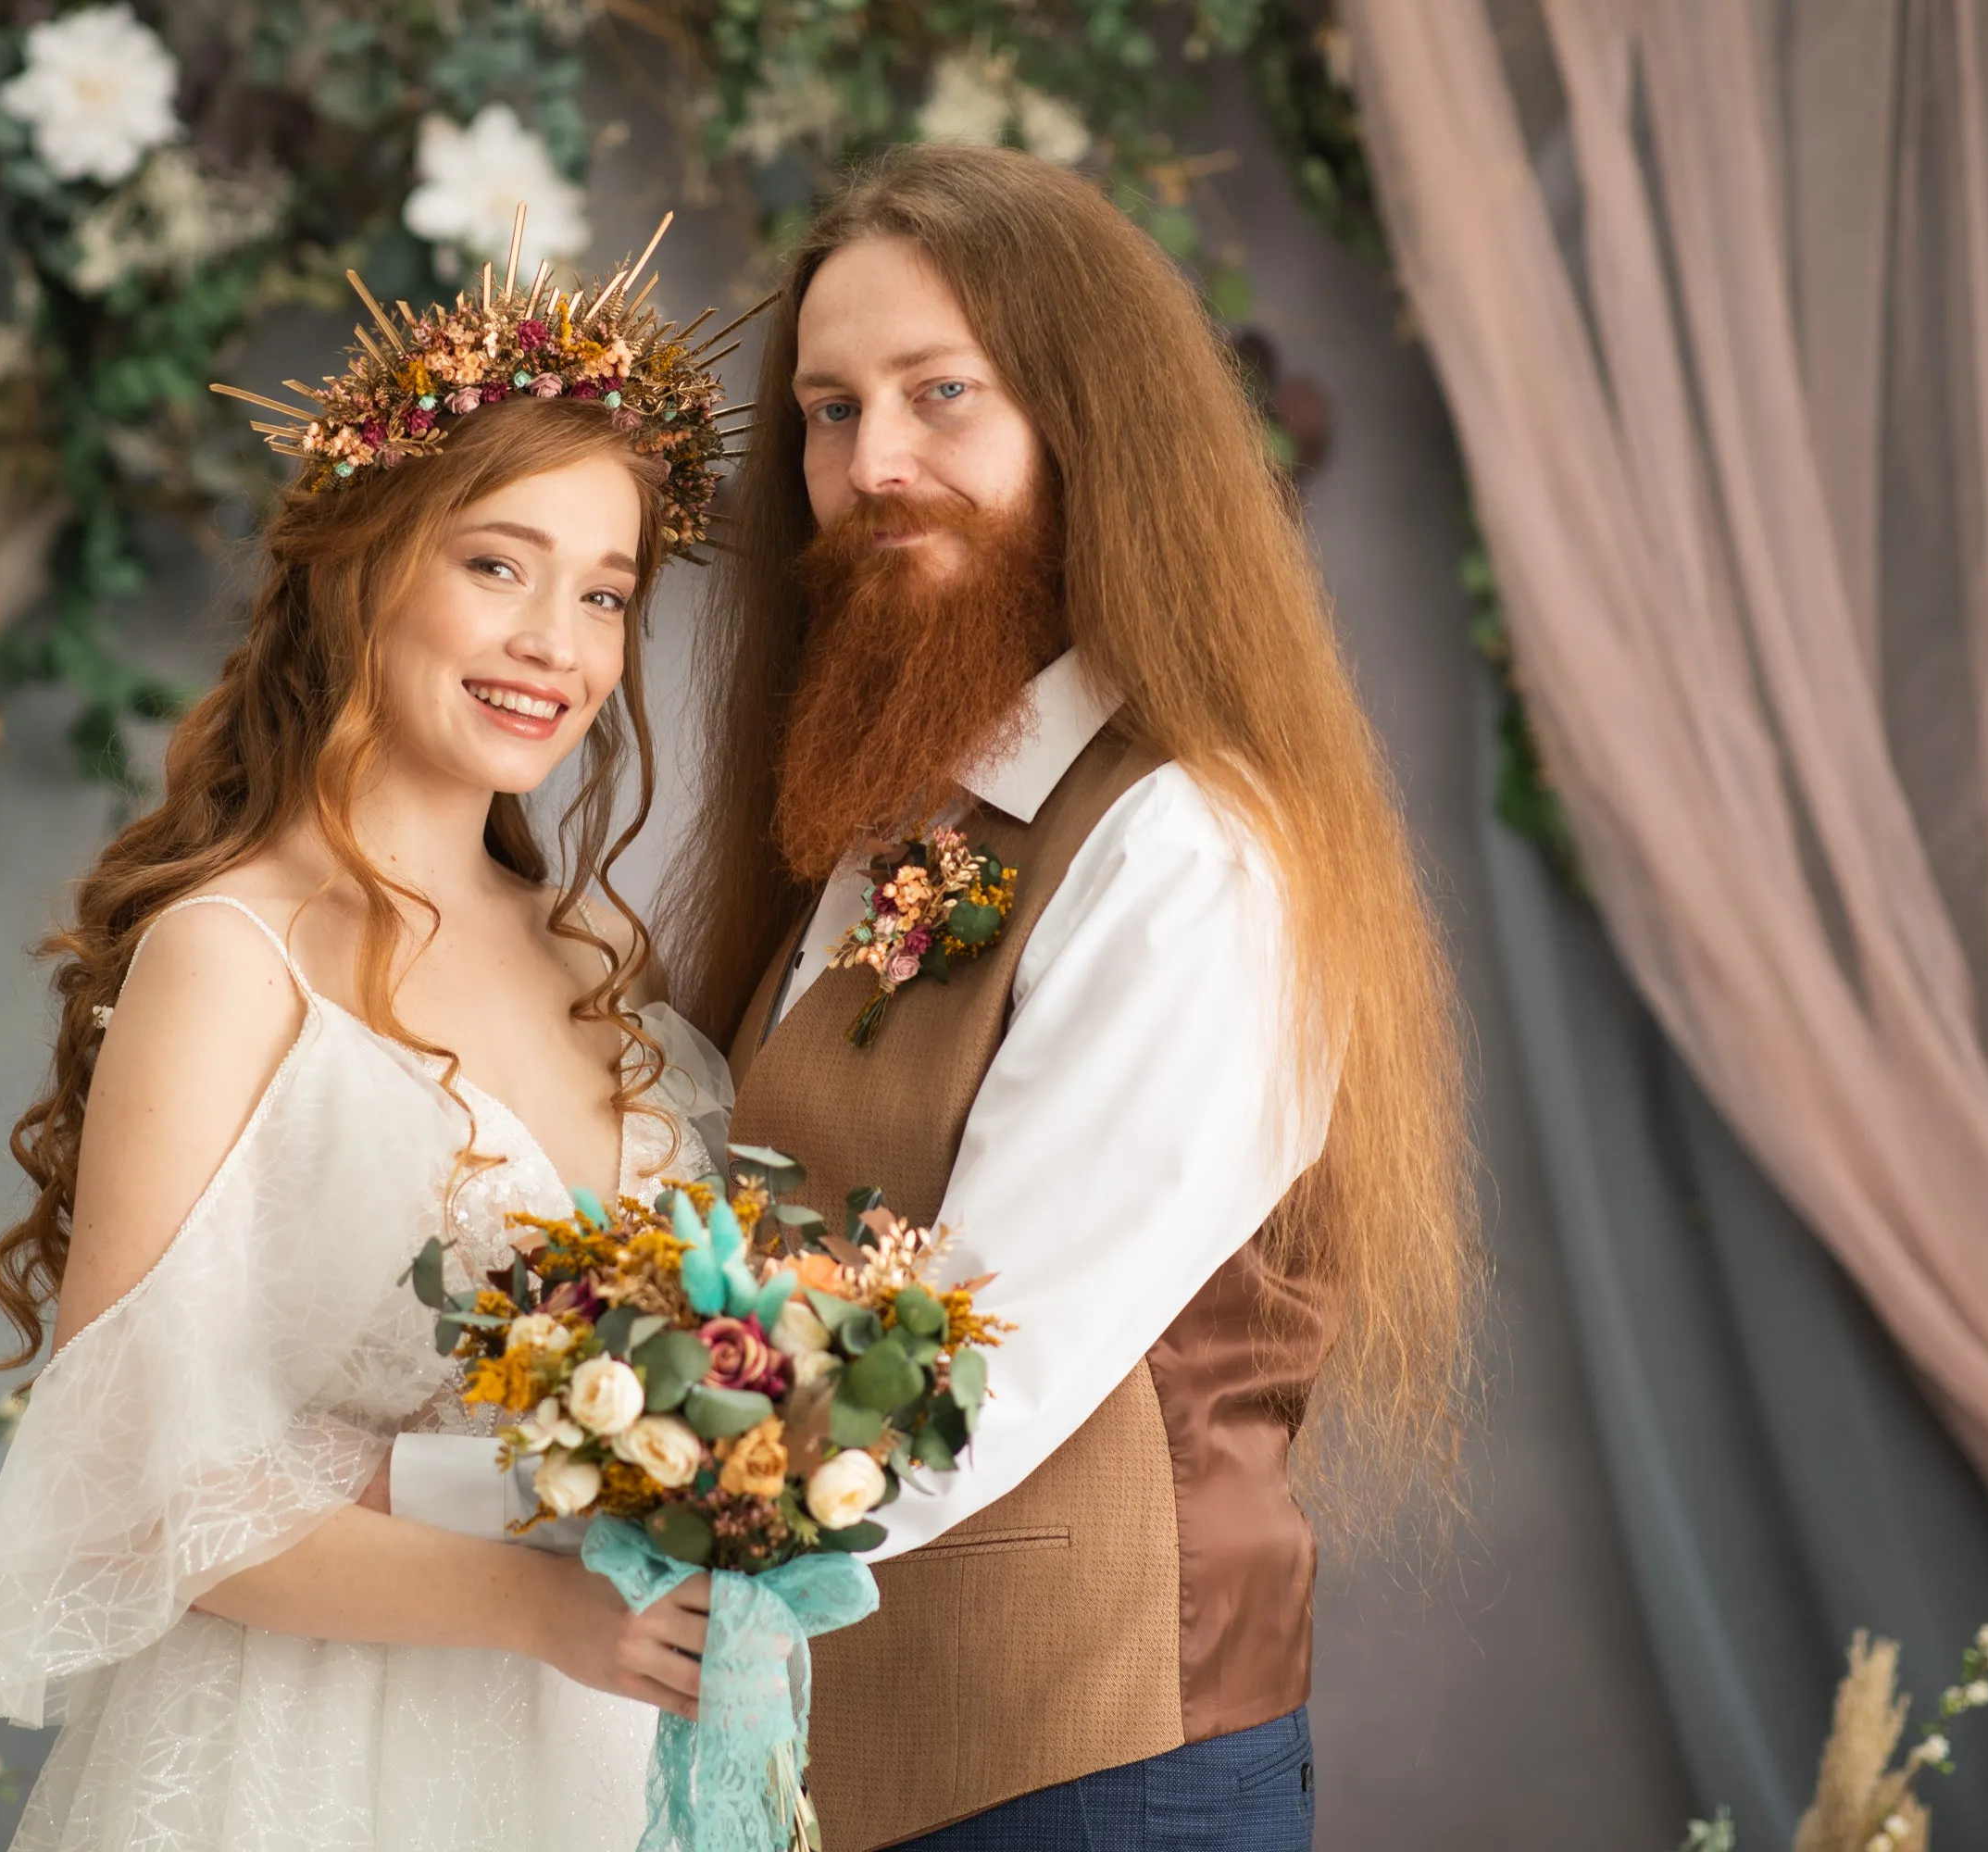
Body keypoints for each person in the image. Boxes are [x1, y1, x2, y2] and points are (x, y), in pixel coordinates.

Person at [664, 144, 1484, 1851]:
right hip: (868, 1749)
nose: (871, 462)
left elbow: (968, 1368)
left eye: (938, 395)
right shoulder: (894, 814)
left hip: (1093, 1772)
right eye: (827, 410)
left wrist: (517, 1512)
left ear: (1086, 424)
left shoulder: (1186, 848)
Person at [0, 234, 744, 1852]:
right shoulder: (230, 956)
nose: (557, 642)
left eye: (603, 594)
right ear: (364, 564)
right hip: (312, 1759)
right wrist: (545, 1616)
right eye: (497, 565)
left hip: (607, 1753)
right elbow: (134, 1479)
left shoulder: (601, 958)